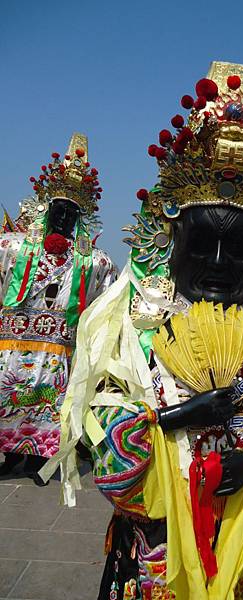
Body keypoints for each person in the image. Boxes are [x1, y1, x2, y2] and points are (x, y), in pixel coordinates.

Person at [42, 62, 243, 599]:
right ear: (170, 241)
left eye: (239, 247)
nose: (220, 262)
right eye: (201, 243)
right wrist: (177, 417)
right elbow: (89, 431)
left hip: (238, 543)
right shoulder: (128, 324)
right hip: (153, 541)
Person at [0, 133, 116, 485]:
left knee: (48, 400)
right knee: (11, 393)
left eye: (71, 213)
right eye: (59, 210)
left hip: (56, 349)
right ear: (47, 210)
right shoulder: (15, 248)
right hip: (13, 345)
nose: (64, 218)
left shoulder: (94, 261)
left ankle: (40, 458)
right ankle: (12, 455)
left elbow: (103, 303)